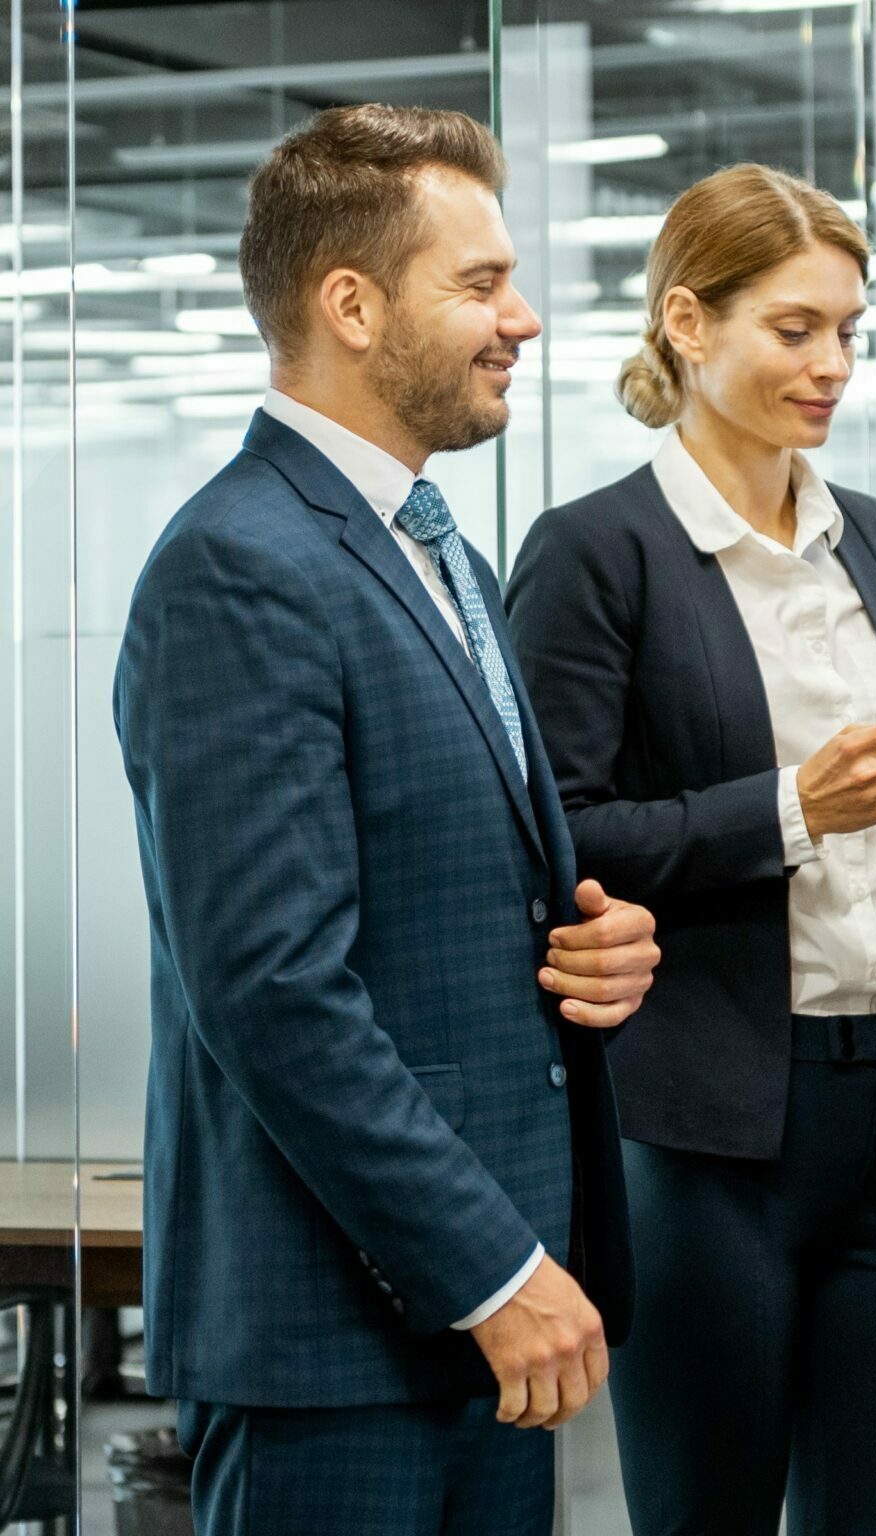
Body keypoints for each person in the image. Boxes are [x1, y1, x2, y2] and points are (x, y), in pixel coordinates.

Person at [112, 105, 660, 1536]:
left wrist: (584, 950)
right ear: (349, 304)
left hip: (477, 1327)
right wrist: (491, 1268)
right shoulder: (240, 565)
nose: (522, 319)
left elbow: (431, 898)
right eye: (478, 284)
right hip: (340, 1345)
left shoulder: (438, 552)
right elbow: (274, 985)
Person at [504, 163, 876, 1536]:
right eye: (794, 328)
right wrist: (804, 805)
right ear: (688, 323)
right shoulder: (594, 554)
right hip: (706, 1127)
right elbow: (559, 839)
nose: (833, 365)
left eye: (849, 330)